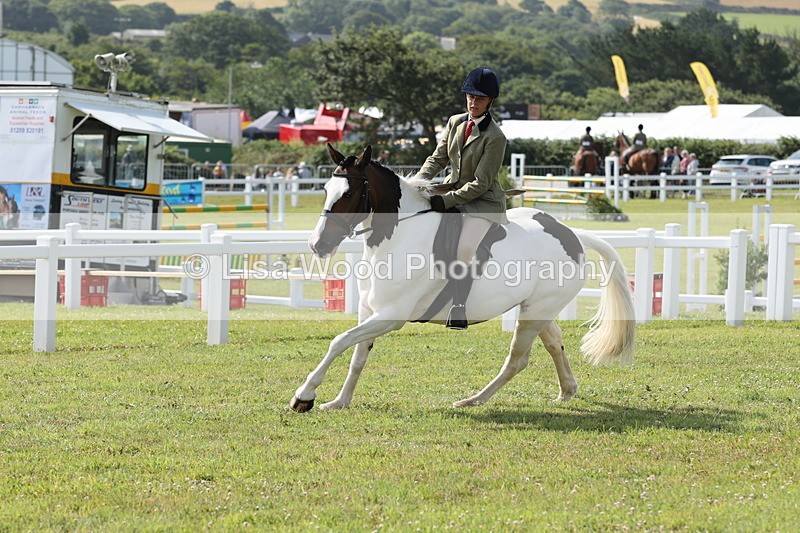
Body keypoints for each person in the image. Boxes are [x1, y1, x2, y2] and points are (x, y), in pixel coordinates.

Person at [415, 66, 508, 330]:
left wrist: (445, 201)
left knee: (464, 249)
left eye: (479, 98)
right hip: (452, 192)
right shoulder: (455, 122)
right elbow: (438, 157)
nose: (473, 102)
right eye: (470, 96)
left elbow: (480, 183)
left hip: (482, 203)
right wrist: (419, 184)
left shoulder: (495, 137)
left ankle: (458, 306)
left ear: (490, 101)